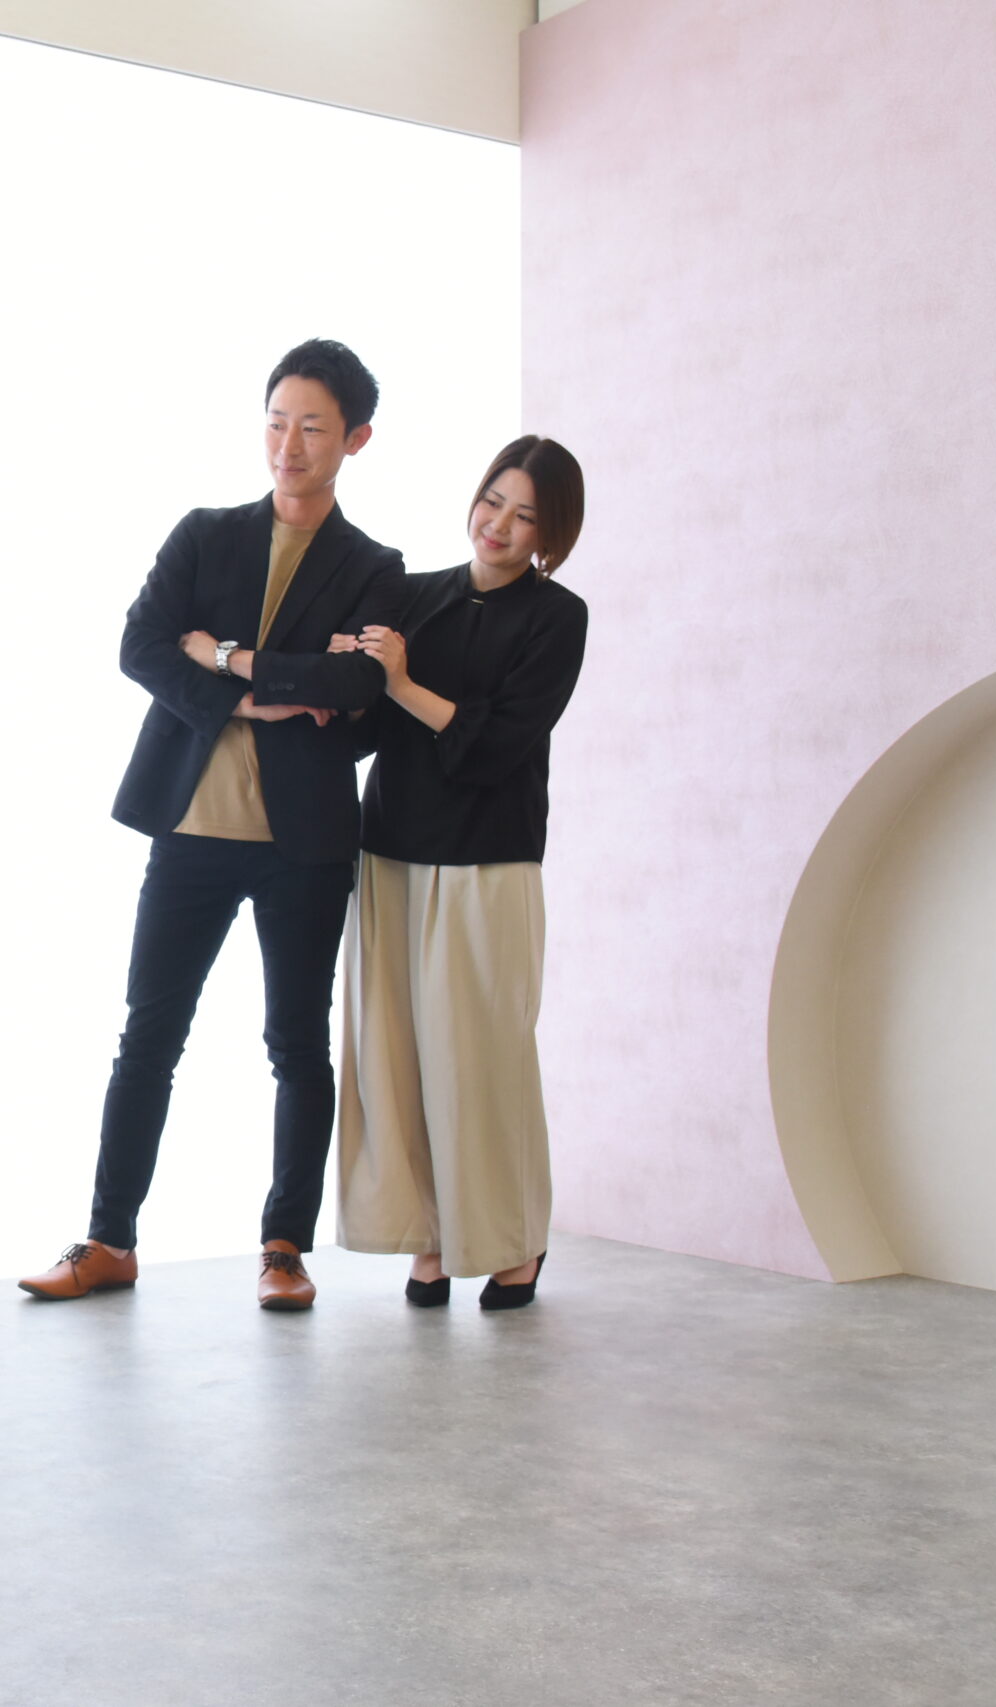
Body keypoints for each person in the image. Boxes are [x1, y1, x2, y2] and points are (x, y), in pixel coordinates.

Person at [21, 338, 407, 1311]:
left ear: (355, 439)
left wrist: (228, 657)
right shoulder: (205, 535)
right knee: (149, 1035)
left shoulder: (374, 566)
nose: (288, 445)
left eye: (312, 427)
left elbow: (357, 686)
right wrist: (255, 697)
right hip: (190, 830)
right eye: (276, 422)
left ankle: (284, 1248)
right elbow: (141, 646)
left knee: (296, 1045)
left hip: (304, 845)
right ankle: (108, 1241)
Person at [329, 436, 588, 1310]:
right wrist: (350, 673)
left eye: (526, 516)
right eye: (493, 501)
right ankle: (430, 1237)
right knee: (397, 1058)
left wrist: (398, 680)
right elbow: (365, 727)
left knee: (482, 1058)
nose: (500, 525)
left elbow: (501, 742)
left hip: (488, 857)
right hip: (391, 849)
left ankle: (514, 1242)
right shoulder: (413, 594)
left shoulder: (558, 617)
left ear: (551, 535)